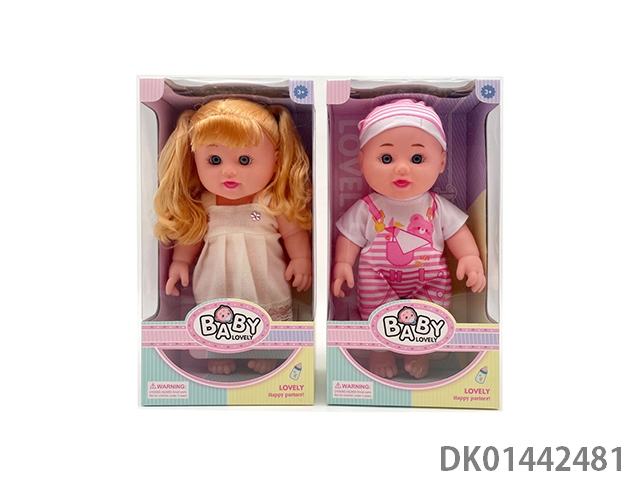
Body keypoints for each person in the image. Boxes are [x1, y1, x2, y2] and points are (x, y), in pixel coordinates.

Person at [154, 98, 312, 375]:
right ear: (195, 161)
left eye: (244, 160)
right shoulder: (205, 203)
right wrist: (180, 262)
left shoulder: (271, 201)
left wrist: (301, 259)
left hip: (264, 274)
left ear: (276, 162)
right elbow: (192, 235)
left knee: (267, 305)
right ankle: (217, 351)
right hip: (216, 275)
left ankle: (268, 351)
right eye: (214, 160)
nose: (228, 170)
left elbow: (293, 231)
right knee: (217, 313)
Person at [332, 99, 485, 379]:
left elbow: (458, 232)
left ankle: (420, 351)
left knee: (431, 313)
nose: (401, 169)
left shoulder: (436, 207)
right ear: (362, 161)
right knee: (376, 311)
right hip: (378, 277)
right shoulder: (367, 208)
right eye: (386, 159)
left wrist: (470, 257)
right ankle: (379, 349)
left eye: (417, 159)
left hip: (429, 278)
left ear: (441, 162)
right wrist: (343, 264)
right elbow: (349, 236)